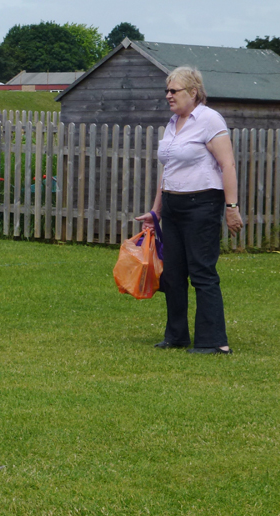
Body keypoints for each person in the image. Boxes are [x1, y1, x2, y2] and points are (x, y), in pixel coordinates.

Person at [136, 66, 243, 355]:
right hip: (172, 205)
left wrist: (231, 207)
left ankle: (214, 342)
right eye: (167, 91)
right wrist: (155, 212)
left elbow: (228, 165)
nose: (168, 95)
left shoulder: (209, 120)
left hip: (202, 205)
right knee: (172, 274)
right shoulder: (173, 123)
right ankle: (176, 336)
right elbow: (168, 170)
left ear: (193, 92)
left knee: (202, 272)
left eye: (174, 90)